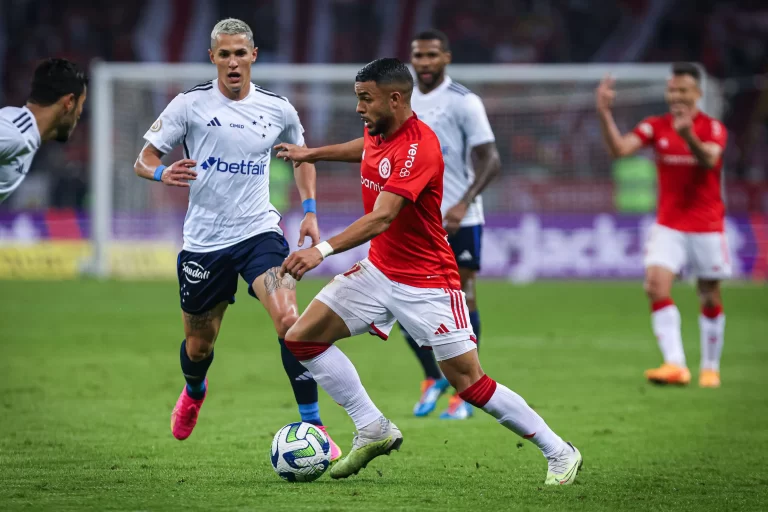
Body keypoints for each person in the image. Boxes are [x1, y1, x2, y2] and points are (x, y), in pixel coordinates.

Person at [274, 58, 582, 483]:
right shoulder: (378, 130)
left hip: (427, 282)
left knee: (469, 383)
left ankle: (559, 451)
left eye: (366, 99)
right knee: (302, 339)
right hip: (379, 269)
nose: (359, 108)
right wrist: (314, 153)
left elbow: (383, 217)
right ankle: (372, 428)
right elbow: (366, 148)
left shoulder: (421, 148)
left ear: (395, 98)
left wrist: (321, 251)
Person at [132, 18, 340, 458]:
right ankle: (194, 390)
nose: (232, 62)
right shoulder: (187, 105)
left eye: (239, 53)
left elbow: (302, 158)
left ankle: (314, 427)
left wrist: (309, 212)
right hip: (204, 244)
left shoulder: (278, 108)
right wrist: (161, 172)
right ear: (212, 58)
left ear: (253, 56)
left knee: (291, 322)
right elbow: (144, 158)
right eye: (224, 54)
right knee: (199, 345)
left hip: (259, 233)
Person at [596, 62, 729, 388]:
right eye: (672, 90)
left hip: (706, 225)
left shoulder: (712, 128)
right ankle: (676, 365)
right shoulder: (656, 126)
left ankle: (710, 367)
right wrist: (604, 113)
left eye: (683, 90)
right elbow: (620, 150)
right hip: (669, 224)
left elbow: (710, 159)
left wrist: (688, 136)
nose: (676, 96)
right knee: (655, 286)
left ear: (697, 93)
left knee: (708, 295)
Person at [407, 29, 501, 419]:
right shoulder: (402, 98)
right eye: (418, 56)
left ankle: (466, 391)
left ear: (446, 57)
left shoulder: (465, 102)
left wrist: (464, 202)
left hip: (459, 217)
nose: (424, 63)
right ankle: (433, 377)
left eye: (431, 55)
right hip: (414, 216)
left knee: (461, 298)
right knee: (401, 302)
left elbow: (491, 159)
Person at [0, 58, 87, 203]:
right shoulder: (15, 133)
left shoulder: (26, 133)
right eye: (81, 104)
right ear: (69, 102)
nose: (80, 113)